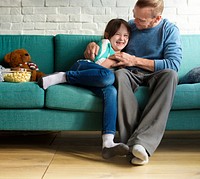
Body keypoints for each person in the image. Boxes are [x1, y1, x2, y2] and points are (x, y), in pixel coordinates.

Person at [84, 0, 182, 165]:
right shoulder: (130, 26)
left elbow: (173, 64)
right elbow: (110, 43)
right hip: (130, 74)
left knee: (171, 75)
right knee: (120, 75)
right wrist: (93, 45)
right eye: (134, 16)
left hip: (156, 74)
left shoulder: (169, 30)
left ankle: (141, 144)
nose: (134, 23)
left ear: (157, 19)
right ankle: (134, 147)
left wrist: (135, 60)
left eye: (141, 20)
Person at [38, 18, 131, 159]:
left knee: (112, 91)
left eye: (126, 36)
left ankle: (108, 143)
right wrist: (115, 60)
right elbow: (99, 63)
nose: (122, 39)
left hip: (94, 81)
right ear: (107, 35)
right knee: (108, 77)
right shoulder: (105, 44)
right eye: (118, 34)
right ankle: (64, 76)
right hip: (82, 68)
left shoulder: (124, 54)